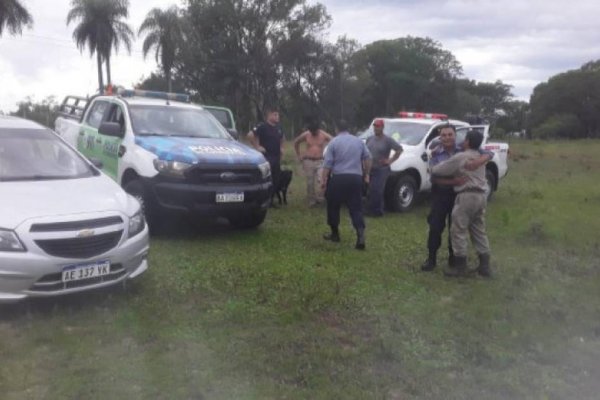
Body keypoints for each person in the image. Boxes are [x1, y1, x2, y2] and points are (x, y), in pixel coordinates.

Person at [421, 124, 492, 272]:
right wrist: (452, 181)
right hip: (440, 194)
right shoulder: (435, 152)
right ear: (440, 137)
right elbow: (433, 177)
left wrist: (482, 159)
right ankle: (431, 259)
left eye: (450, 135)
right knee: (435, 228)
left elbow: (487, 152)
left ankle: (455, 261)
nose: (447, 138)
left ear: (456, 136)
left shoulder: (463, 151)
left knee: (456, 228)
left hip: (459, 196)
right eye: (444, 135)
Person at [321, 120, 372, 250]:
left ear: (337, 129)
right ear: (348, 129)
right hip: (355, 178)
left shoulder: (333, 142)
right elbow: (368, 158)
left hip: (338, 178)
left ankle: (335, 234)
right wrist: (366, 174)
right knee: (356, 208)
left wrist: (324, 180)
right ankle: (360, 237)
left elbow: (327, 164)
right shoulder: (358, 141)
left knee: (333, 205)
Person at [248, 107, 285, 207]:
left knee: (276, 180)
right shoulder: (262, 126)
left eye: (278, 115)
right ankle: (263, 200)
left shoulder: (279, 128)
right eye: (275, 115)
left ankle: (271, 200)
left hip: (276, 157)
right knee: (266, 179)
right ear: (268, 115)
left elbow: (282, 138)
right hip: (266, 157)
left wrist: (282, 148)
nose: (277, 117)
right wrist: (257, 146)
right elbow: (251, 135)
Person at [365, 119, 403, 216]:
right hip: (370, 168)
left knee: (377, 189)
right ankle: (370, 209)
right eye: (375, 126)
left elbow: (399, 149)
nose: (376, 128)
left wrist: (390, 160)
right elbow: (365, 152)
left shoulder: (387, 140)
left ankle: (378, 211)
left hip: (381, 169)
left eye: (378, 126)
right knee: (370, 189)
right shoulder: (370, 139)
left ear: (382, 127)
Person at [293, 120, 333, 206]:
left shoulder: (323, 134)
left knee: (322, 179)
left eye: (315, 131)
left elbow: (334, 141)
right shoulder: (306, 134)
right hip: (308, 160)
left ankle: (321, 197)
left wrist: (329, 155)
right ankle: (312, 200)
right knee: (310, 181)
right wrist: (299, 155)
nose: (314, 133)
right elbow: (296, 142)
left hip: (320, 160)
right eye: (312, 132)